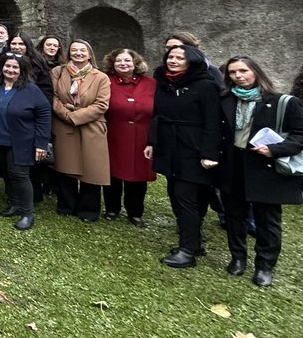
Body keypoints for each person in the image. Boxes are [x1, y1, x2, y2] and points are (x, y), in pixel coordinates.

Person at [219, 56, 303, 287]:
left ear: (256, 72)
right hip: (233, 164)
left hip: (263, 166)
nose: (238, 76)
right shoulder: (225, 99)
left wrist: (276, 149)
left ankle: (265, 265)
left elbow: (299, 134)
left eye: (243, 71)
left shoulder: (281, 102)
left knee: (267, 219)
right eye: (233, 72)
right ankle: (238, 257)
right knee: (234, 215)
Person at [145, 44, 223, 268]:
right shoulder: (164, 83)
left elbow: (213, 122)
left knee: (186, 197)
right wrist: (152, 141)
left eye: (180, 57)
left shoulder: (206, 85)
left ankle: (187, 250)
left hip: (194, 148)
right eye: (171, 56)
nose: (174, 60)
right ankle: (194, 241)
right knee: (175, 192)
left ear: (192, 61)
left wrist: (209, 153)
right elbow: (157, 114)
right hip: (169, 146)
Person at [0, 54, 50, 230]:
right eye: (7, 66)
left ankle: (28, 213)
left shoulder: (31, 90)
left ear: (22, 71)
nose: (10, 70)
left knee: (19, 175)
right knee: (5, 173)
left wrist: (41, 143)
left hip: (21, 142)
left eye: (15, 67)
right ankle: (14, 203)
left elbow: (44, 115)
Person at [48, 39, 111, 221]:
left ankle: (88, 209)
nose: (78, 53)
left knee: (92, 168)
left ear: (89, 54)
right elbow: (52, 96)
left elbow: (101, 104)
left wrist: (76, 115)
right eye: (74, 50)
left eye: (82, 50)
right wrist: (66, 114)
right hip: (64, 124)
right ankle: (66, 205)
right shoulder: (58, 72)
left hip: (91, 125)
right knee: (66, 167)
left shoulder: (100, 77)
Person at [102, 48, 155, 226]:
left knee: (138, 174)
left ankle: (135, 212)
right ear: (112, 63)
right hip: (114, 133)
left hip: (142, 135)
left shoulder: (150, 84)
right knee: (112, 172)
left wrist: (153, 139)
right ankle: (112, 208)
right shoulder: (106, 81)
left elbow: (158, 112)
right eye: (119, 61)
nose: (123, 64)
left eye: (127, 61)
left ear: (136, 64)